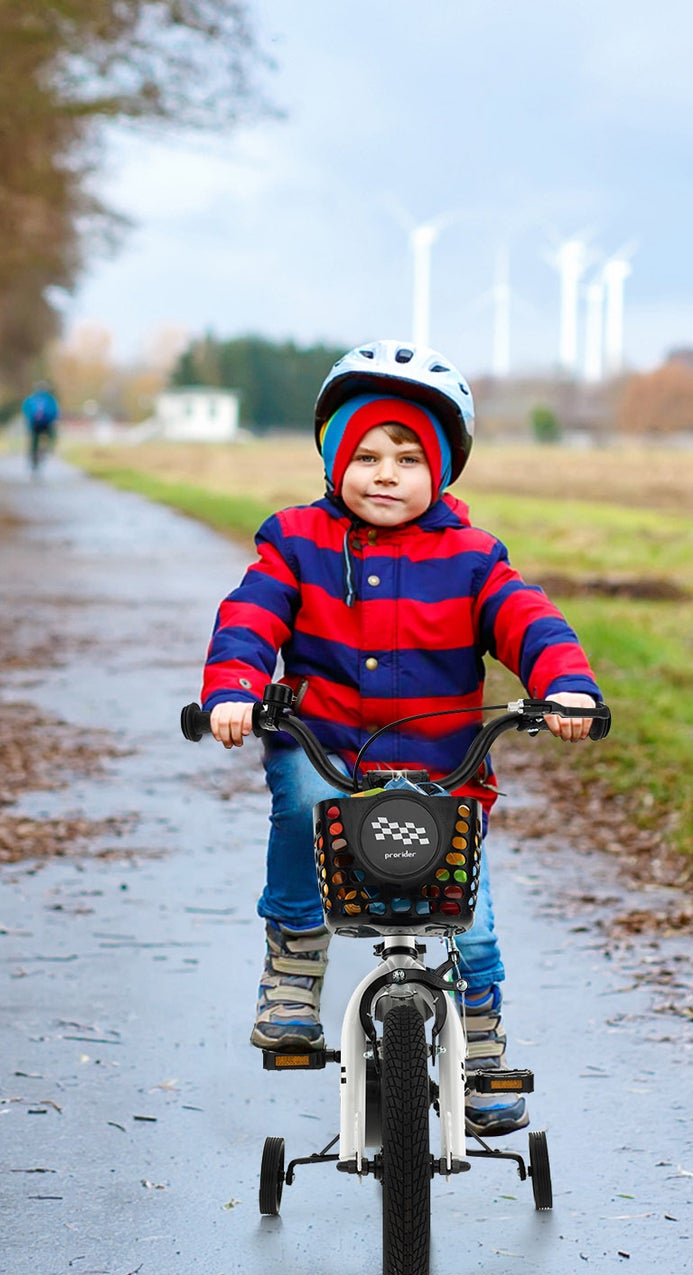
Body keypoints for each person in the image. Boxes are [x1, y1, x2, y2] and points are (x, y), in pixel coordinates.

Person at [199, 339, 601, 1136]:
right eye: (367, 455)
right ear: (333, 460)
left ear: (442, 470)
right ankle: (295, 953)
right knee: (299, 804)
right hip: (328, 747)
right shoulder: (296, 540)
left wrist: (562, 683)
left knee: (470, 918)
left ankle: (481, 1044)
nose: (386, 473)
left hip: (442, 768)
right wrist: (234, 688)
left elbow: (526, 618)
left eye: (409, 458)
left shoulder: (473, 556)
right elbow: (251, 615)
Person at [21, 382, 59, 472]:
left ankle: (33, 455)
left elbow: (26, 410)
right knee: (52, 436)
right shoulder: (50, 398)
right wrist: (53, 421)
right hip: (47, 424)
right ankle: (47, 449)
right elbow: (55, 411)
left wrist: (29, 422)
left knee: (34, 440)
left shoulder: (31, 398)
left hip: (34, 423)